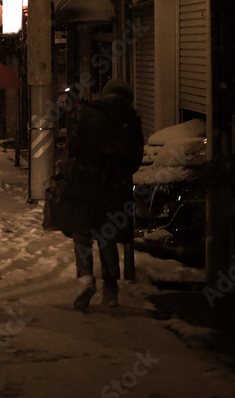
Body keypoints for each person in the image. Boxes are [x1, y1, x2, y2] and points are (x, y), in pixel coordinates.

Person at [62, 78, 144, 310]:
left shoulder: (91, 113)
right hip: (115, 185)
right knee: (106, 233)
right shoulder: (131, 118)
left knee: (82, 231)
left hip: (85, 181)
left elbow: (75, 147)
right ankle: (111, 289)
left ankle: (86, 277)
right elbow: (135, 158)